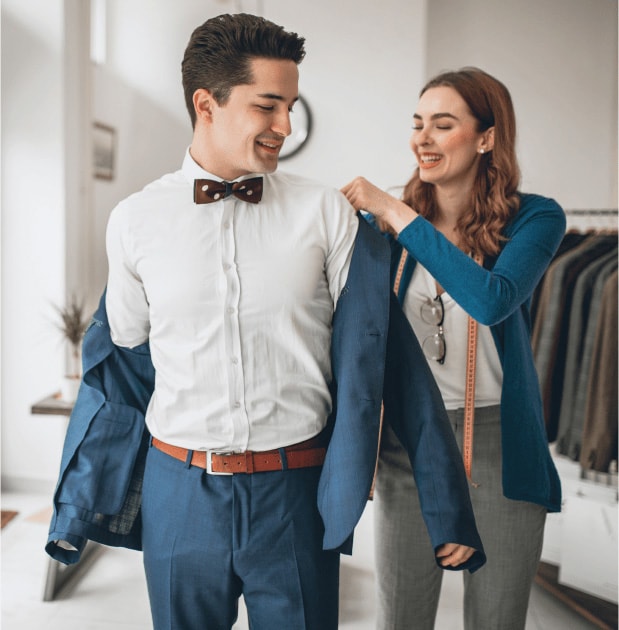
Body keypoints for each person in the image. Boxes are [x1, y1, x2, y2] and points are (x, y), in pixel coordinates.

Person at [46, 17, 486, 630]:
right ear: (207, 104)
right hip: (179, 495)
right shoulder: (133, 221)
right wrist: (75, 506)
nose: (285, 126)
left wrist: (447, 509)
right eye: (268, 106)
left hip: (296, 496)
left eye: (292, 106)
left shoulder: (326, 214)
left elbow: (389, 363)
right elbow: (121, 364)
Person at [342, 67, 565, 630]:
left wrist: (398, 214)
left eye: (443, 125)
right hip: (408, 445)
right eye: (418, 124)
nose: (423, 138)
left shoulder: (534, 219)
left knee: (496, 620)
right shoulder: (380, 231)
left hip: (500, 445)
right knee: (402, 619)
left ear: (486, 137)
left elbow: (492, 300)